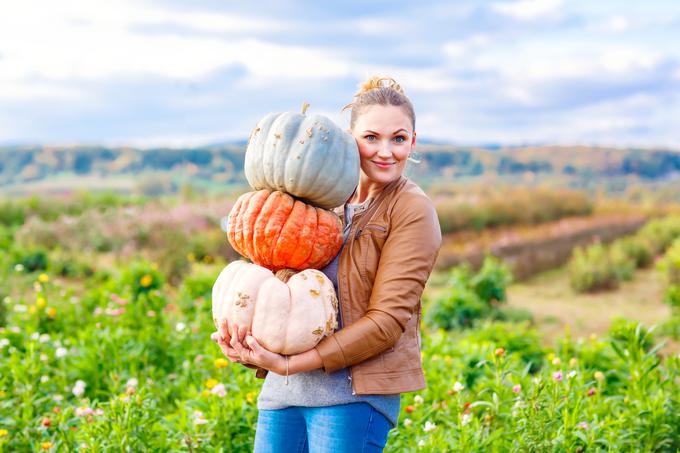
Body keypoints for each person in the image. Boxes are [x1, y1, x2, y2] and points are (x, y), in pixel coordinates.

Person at [211, 76, 442, 452]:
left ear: (412, 142)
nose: (386, 151)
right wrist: (249, 346)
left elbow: (387, 322)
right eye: (371, 138)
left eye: (398, 139)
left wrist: (293, 363)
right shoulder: (318, 201)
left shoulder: (412, 210)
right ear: (351, 140)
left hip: (351, 398)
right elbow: (275, 295)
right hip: (284, 393)